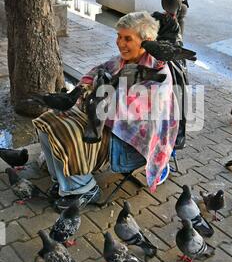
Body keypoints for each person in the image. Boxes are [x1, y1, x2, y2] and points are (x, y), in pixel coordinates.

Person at [32, 12, 179, 211]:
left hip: (129, 142)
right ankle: (63, 179)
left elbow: (123, 112)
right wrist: (83, 90)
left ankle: (85, 188)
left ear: (147, 41)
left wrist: (90, 97)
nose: (120, 43)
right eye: (119, 36)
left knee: (66, 132)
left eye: (128, 38)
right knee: (48, 120)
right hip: (108, 125)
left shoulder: (158, 75)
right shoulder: (122, 61)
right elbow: (95, 73)